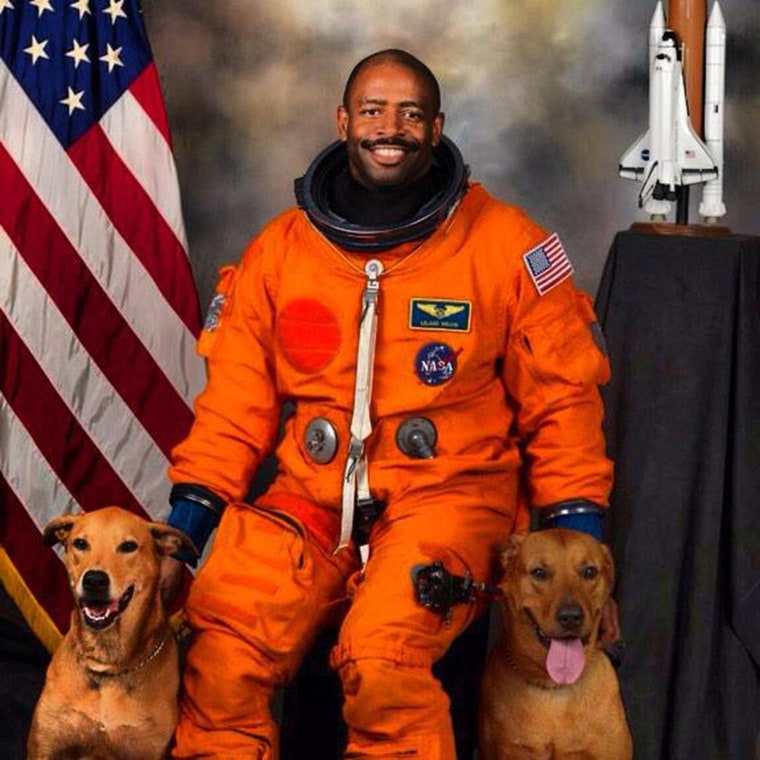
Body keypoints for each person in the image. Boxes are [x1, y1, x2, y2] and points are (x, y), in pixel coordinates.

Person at [161, 48, 615, 759]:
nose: (389, 127)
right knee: (220, 661)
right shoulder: (281, 252)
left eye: (410, 113)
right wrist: (185, 535)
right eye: (373, 110)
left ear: (437, 127)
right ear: (343, 121)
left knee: (383, 662)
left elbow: (564, 402)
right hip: (310, 500)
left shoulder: (506, 246)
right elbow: (232, 410)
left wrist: (577, 525)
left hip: (449, 496)